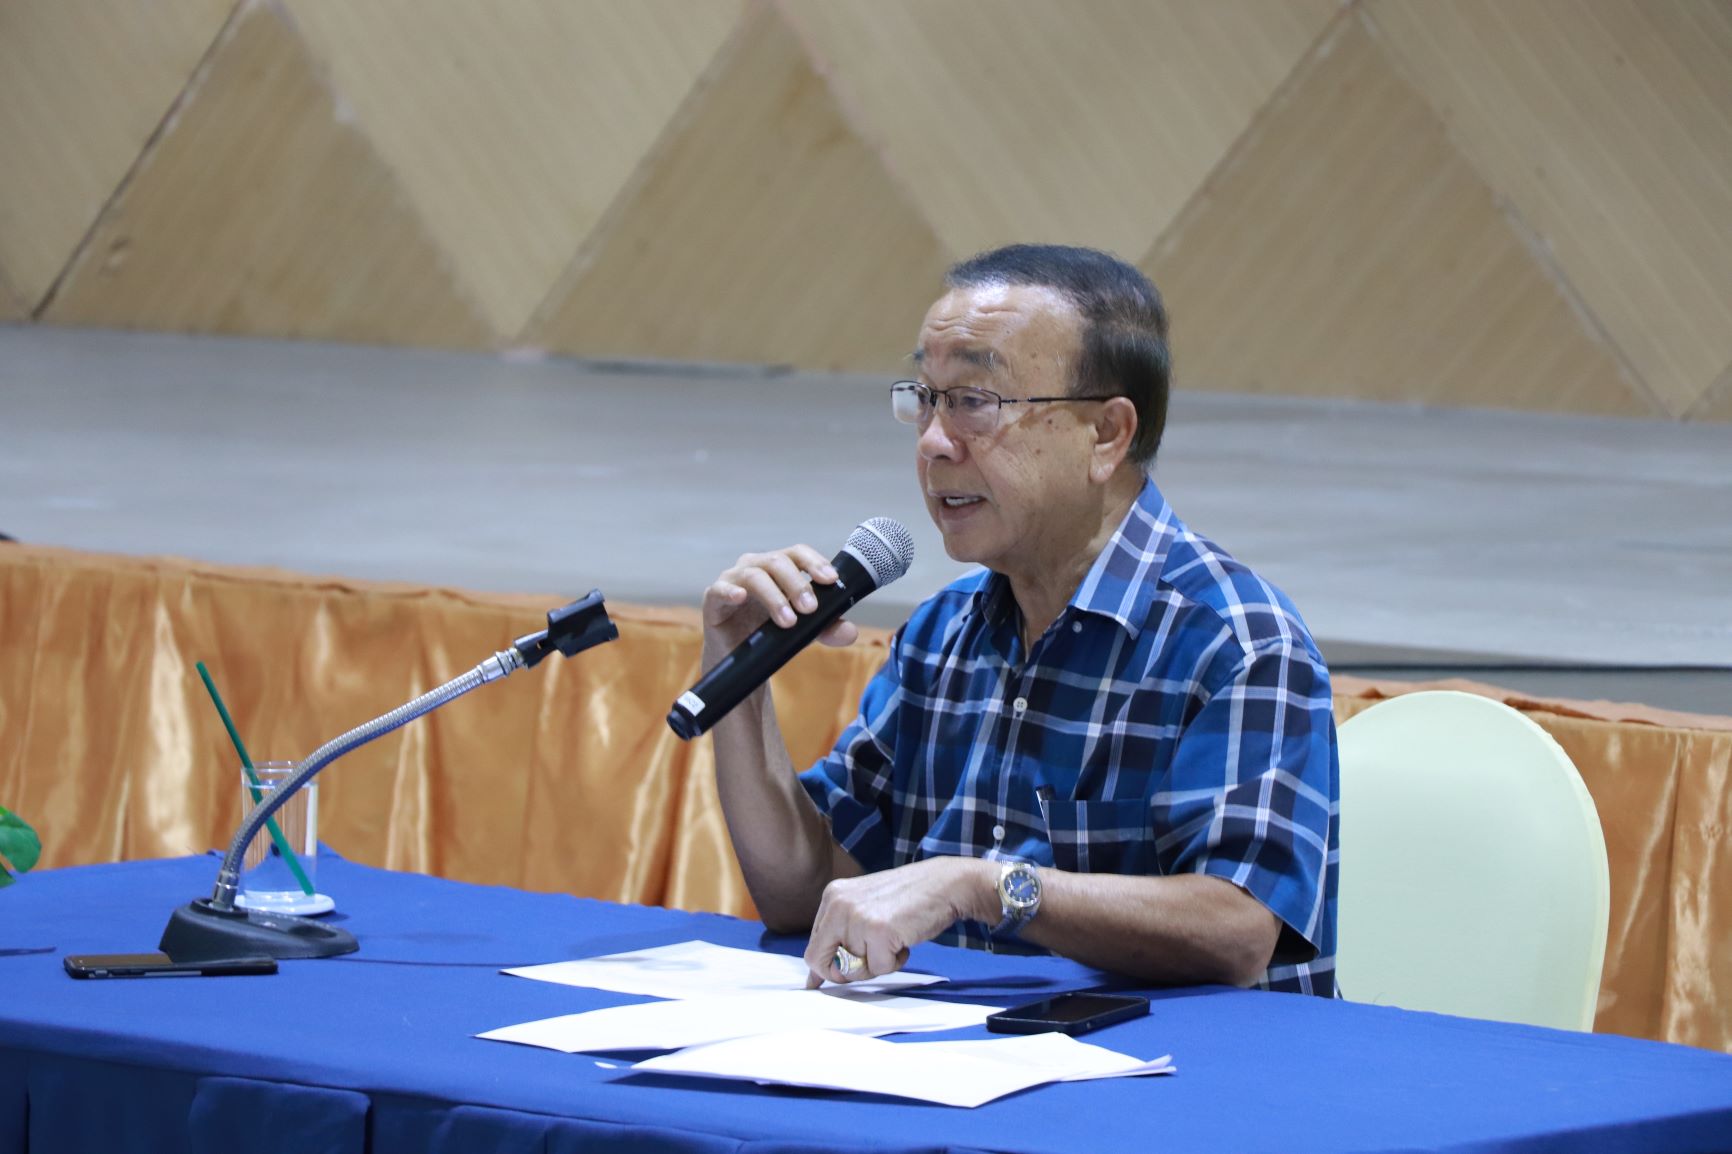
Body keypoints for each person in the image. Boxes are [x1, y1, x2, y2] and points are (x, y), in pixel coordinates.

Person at [702, 245, 1338, 996]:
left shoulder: (1235, 640)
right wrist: (740, 674)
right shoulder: (943, 635)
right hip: (963, 1053)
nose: (934, 441)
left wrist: (987, 887)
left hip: (1181, 1063)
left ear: (1106, 434)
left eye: (974, 401)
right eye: (926, 398)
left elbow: (1237, 930)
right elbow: (803, 890)